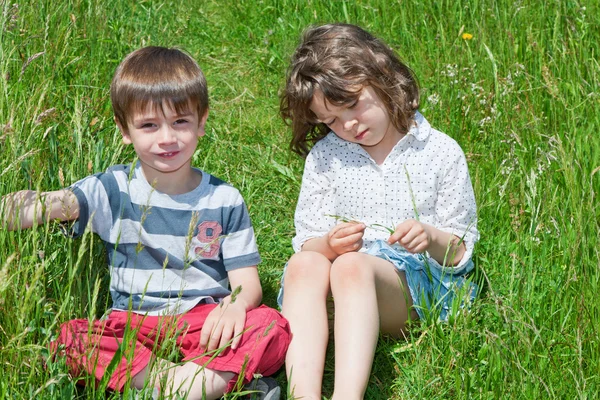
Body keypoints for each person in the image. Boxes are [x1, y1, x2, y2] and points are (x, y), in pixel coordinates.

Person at [1, 46, 290, 400]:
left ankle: (161, 387)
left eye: (180, 121)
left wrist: (236, 305)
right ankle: (197, 385)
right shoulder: (112, 189)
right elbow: (52, 204)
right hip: (133, 322)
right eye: (149, 125)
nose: (167, 138)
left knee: (271, 326)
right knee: (71, 339)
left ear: (202, 122)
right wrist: (35, 208)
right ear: (125, 130)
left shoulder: (224, 198)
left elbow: (247, 284)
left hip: (203, 321)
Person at [278, 23, 479, 400]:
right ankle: (303, 394)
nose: (348, 125)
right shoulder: (326, 157)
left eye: (352, 105)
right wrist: (328, 245)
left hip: (408, 293)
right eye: (331, 121)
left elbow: (460, 254)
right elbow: (307, 243)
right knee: (304, 265)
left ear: (384, 76)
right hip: (337, 293)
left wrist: (431, 237)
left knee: (352, 267)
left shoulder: (438, 152)